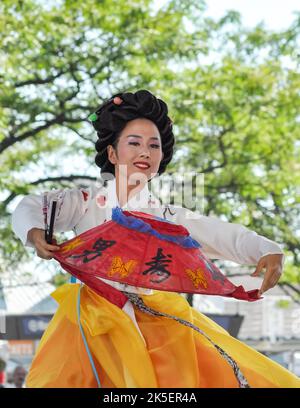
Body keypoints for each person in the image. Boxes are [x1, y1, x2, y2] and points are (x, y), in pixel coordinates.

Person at [12, 90, 299, 388]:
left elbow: (223, 234)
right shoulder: (84, 202)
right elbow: (30, 206)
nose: (145, 152)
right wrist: (34, 233)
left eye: (153, 145)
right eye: (134, 143)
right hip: (92, 323)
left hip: (157, 323)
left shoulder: (167, 215)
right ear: (112, 153)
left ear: (161, 156)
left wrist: (266, 249)